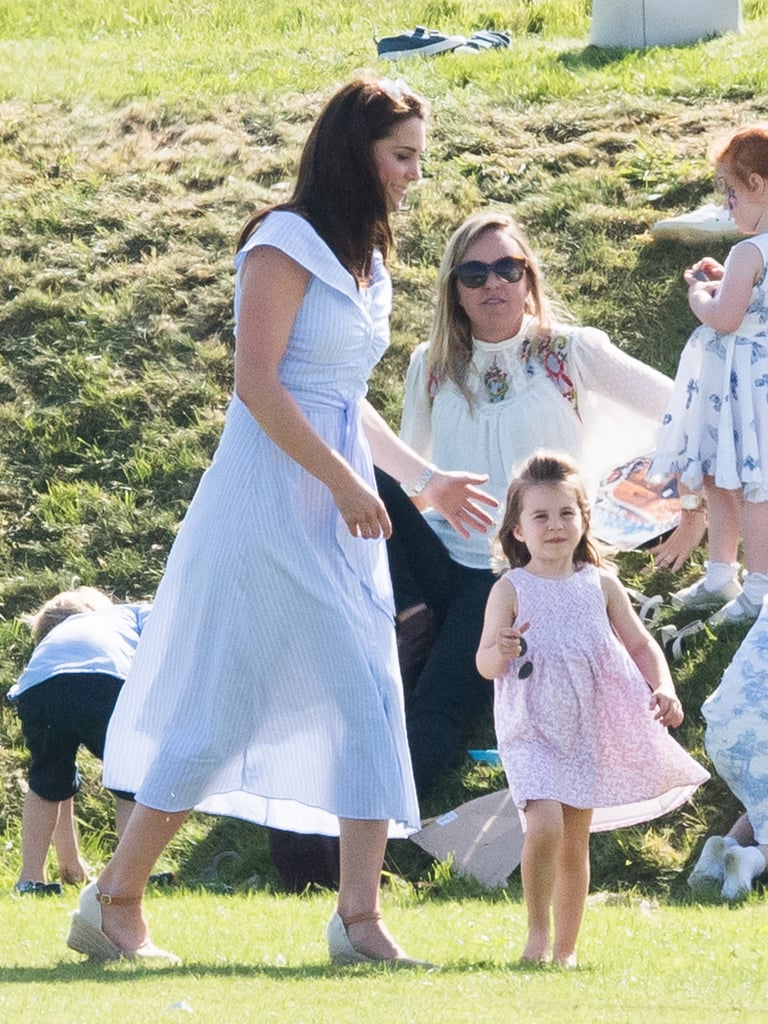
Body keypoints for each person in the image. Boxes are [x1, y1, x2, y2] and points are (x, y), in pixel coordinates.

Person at [65, 75, 495, 967]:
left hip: (334, 512)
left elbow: (344, 398)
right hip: (266, 508)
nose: (415, 174)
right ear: (356, 152)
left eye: (419, 155)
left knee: (368, 692)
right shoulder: (284, 239)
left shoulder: (368, 261)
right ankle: (115, 899)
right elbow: (258, 384)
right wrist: (344, 484)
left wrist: (422, 482)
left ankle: (357, 919)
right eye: (402, 155)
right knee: (228, 709)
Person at [382, 209, 704, 801]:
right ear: (454, 290)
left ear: (529, 277)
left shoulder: (570, 352)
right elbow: (405, 472)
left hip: (518, 571)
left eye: (507, 268)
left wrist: (695, 507)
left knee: (439, 699)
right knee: (366, 464)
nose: (493, 285)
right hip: (438, 554)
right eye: (474, 274)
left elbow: (684, 411)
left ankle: (389, 815)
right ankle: (409, 615)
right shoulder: (429, 365)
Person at [475, 451, 709, 966]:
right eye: (540, 516)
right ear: (517, 530)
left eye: (566, 514)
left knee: (573, 842)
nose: (555, 526)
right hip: (530, 726)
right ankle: (537, 935)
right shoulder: (509, 590)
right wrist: (502, 649)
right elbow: (485, 663)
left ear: (584, 520)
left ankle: (566, 951)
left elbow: (642, 644)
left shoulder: (599, 585)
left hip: (586, 727)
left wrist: (664, 687)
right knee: (545, 826)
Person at [651, 124, 768, 628]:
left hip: (738, 387)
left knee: (743, 484)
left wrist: (699, 293)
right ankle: (722, 572)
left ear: (758, 185)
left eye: (731, 191)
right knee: (723, 475)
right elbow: (750, 301)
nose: (726, 204)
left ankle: (758, 585)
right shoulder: (749, 256)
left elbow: (724, 317)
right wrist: (724, 283)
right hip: (742, 386)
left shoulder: (748, 251)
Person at [8, 587, 145, 894]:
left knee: (48, 782)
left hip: (38, 687)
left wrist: (70, 862)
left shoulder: (52, 646)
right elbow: (168, 630)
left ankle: (30, 879)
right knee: (129, 780)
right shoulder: (129, 614)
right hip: (106, 678)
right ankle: (131, 876)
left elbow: (61, 792)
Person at [688, 594, 768, 900]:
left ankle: (723, 849)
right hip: (762, 733)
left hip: (725, 725)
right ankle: (752, 860)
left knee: (761, 800)